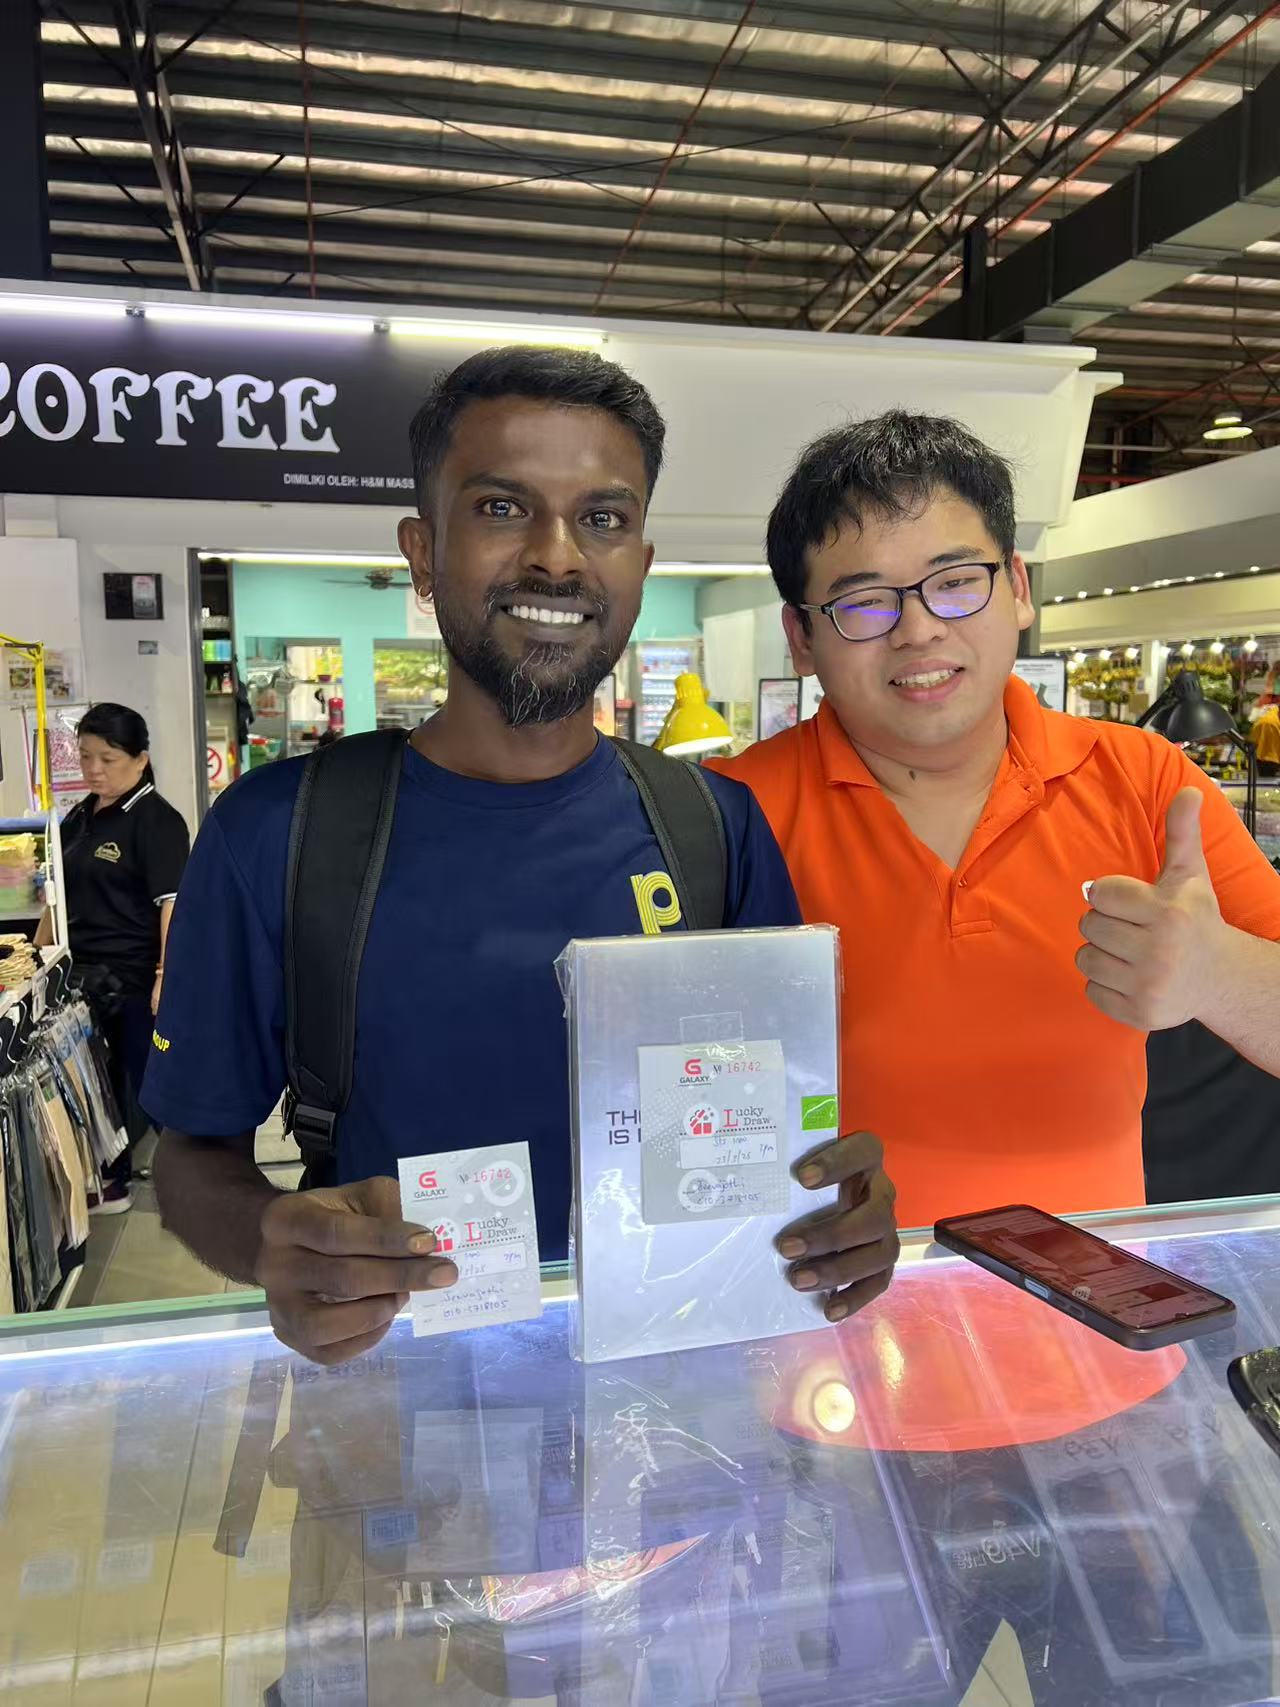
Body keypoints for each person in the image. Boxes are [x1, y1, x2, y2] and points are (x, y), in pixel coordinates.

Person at [145, 347, 899, 1365]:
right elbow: (193, 1155)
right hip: (398, 1397)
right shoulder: (278, 832)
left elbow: (771, 1129)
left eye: (603, 518)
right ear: (422, 551)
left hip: (679, 1387)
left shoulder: (713, 828)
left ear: (640, 561)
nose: (557, 557)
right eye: (502, 508)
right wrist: (271, 1240)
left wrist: (837, 1207)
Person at [710, 411, 1280, 1229]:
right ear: (801, 637)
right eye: (863, 602)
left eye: (954, 582)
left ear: (1016, 587)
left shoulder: (1144, 779)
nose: (919, 630)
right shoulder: (728, 814)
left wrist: (1216, 973)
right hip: (829, 1300)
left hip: (1094, 1297)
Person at [36, 703, 190, 1211]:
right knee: (96, 1086)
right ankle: (110, 1178)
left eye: (108, 758)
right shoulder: (80, 817)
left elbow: (172, 906)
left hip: (134, 978)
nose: (94, 769)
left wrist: (165, 977)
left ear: (140, 759)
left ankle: (205, 1182)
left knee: (145, 1083)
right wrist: (37, 956)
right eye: (85, 757)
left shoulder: (157, 821)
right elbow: (55, 894)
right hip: (80, 978)